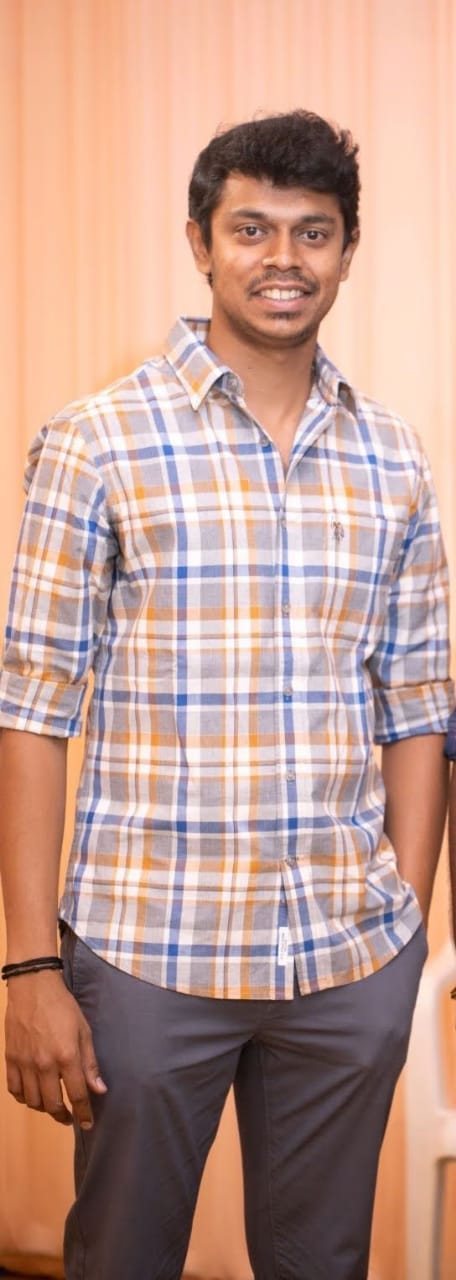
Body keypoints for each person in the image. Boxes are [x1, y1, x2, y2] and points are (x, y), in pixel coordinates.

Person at [0, 110, 453, 1280]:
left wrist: (403, 926)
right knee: (123, 1259)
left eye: (314, 231)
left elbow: (418, 705)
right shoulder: (96, 443)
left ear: (348, 250)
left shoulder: (395, 459)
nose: (283, 257)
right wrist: (29, 966)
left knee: (320, 1262)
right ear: (200, 241)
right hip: (146, 954)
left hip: (346, 960)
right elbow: (32, 712)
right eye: (252, 228)